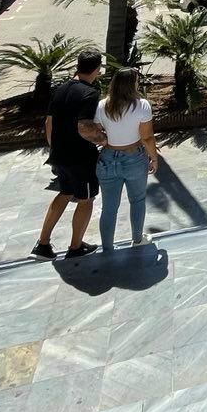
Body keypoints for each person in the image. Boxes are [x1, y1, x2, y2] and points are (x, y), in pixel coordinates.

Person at [33, 50, 106, 259]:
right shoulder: (89, 93)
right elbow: (84, 128)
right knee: (87, 199)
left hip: (59, 155)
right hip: (80, 158)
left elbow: (49, 122)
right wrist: (104, 141)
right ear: (97, 69)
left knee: (64, 193)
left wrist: (55, 147)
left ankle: (43, 244)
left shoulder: (61, 89)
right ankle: (76, 247)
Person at [94, 66, 158, 251]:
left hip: (108, 158)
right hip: (134, 157)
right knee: (137, 200)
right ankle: (137, 239)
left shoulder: (102, 106)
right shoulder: (142, 105)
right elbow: (146, 137)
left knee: (109, 207)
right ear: (132, 85)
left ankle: (107, 246)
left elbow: (97, 130)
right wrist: (153, 158)